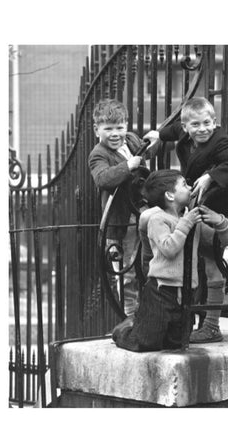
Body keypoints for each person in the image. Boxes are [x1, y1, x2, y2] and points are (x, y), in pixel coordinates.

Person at [144, 97, 228, 343]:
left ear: (214, 122)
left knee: (213, 266)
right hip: (195, 210)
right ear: (186, 126)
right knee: (191, 263)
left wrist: (212, 176)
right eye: (195, 125)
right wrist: (158, 135)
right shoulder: (183, 131)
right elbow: (171, 130)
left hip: (219, 213)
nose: (202, 129)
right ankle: (178, 315)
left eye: (207, 123)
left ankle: (212, 326)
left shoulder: (220, 141)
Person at [112, 169, 228, 352]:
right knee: (145, 343)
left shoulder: (190, 220)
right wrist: (187, 223)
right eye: (184, 185)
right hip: (161, 290)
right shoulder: (158, 220)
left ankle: (142, 324)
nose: (190, 187)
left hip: (186, 293)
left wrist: (220, 222)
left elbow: (224, 242)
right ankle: (124, 329)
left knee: (176, 342)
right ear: (169, 195)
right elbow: (169, 248)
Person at [88, 99, 149, 318]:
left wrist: (154, 140)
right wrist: (128, 166)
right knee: (126, 272)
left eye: (120, 127)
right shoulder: (98, 154)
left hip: (141, 215)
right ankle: (129, 318)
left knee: (145, 265)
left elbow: (146, 152)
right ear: (97, 130)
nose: (115, 134)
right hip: (120, 223)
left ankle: (147, 313)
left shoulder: (131, 141)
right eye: (108, 129)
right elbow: (103, 178)